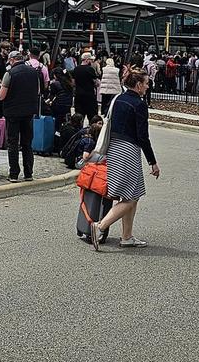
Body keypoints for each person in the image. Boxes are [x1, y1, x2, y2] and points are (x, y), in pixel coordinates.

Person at [89, 68, 160, 250]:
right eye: (146, 83)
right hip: (128, 150)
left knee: (131, 195)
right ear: (138, 85)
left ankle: (127, 236)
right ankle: (100, 227)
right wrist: (152, 161)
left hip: (114, 148)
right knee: (130, 198)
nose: (147, 86)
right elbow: (143, 136)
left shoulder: (117, 99)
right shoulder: (139, 105)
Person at [0, 50, 41, 182]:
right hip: (29, 113)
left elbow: (1, 95)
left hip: (13, 113)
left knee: (13, 143)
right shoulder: (34, 72)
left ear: (11, 60)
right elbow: (38, 91)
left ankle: (14, 174)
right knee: (27, 143)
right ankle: (28, 173)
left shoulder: (9, 73)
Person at [71, 52, 100, 125]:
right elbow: (96, 83)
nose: (91, 61)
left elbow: (73, 83)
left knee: (78, 118)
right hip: (89, 96)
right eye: (90, 60)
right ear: (87, 60)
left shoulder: (76, 69)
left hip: (79, 96)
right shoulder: (90, 69)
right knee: (92, 118)